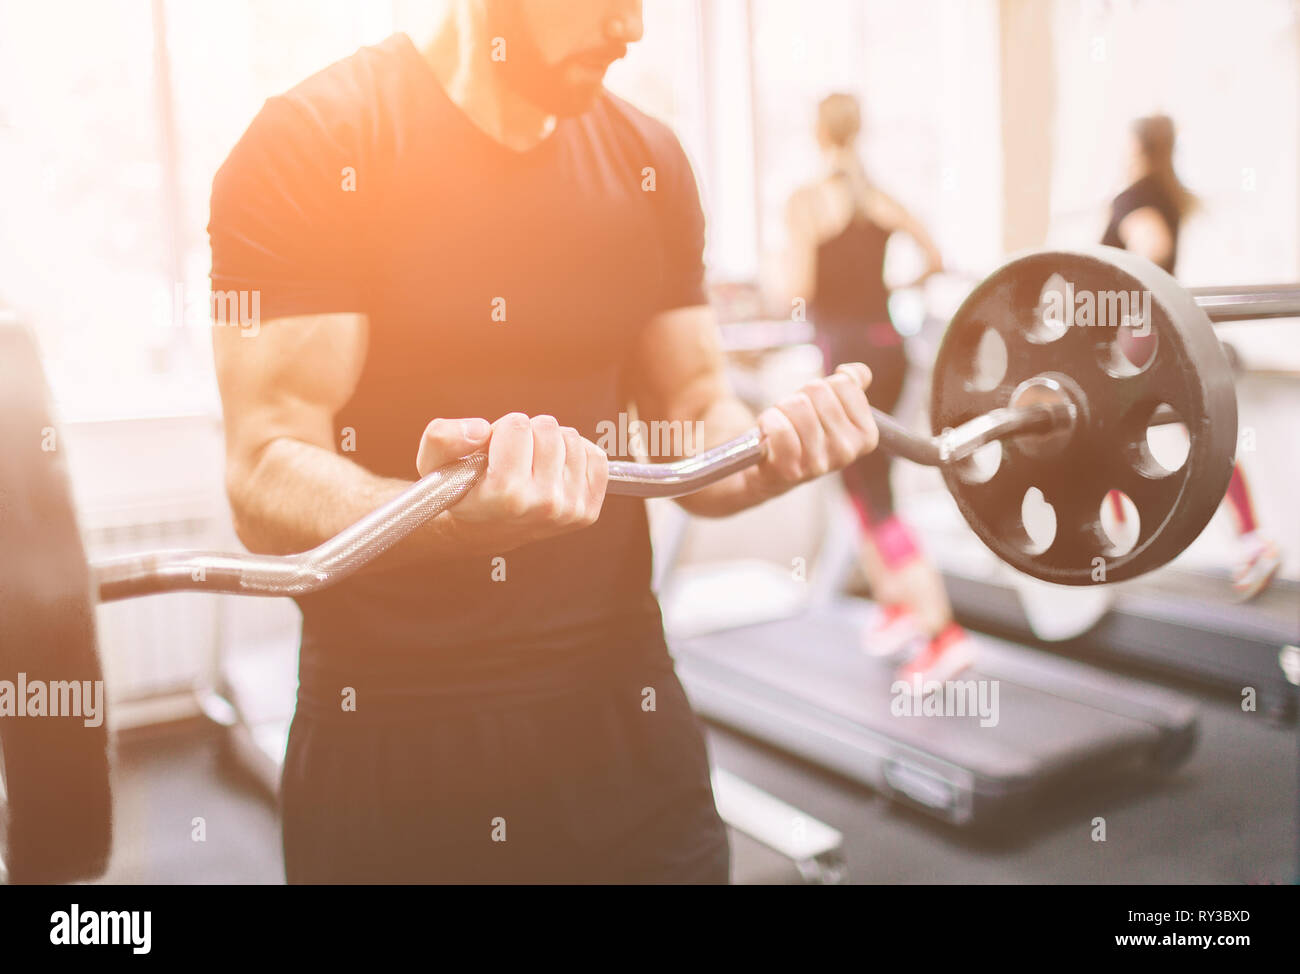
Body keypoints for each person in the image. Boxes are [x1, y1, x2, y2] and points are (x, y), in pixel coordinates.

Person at [208, 1, 881, 883]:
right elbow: (263, 473)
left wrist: (767, 451)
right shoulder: (316, 141)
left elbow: (695, 412)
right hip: (394, 731)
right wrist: (444, 521)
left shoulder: (649, 161)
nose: (629, 30)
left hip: (623, 713)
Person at [783, 92, 975, 683]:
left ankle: (943, 633)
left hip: (845, 355)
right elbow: (936, 255)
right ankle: (895, 605)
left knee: (871, 493)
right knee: (864, 483)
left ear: (818, 134)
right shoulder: (880, 196)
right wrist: (894, 290)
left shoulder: (808, 203)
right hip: (889, 351)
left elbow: (799, 285)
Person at [1101, 114, 1280, 599]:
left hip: (1137, 334)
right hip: (1165, 329)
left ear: (1137, 148)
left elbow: (1151, 245)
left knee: (1101, 432)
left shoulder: (1133, 196)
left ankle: (1109, 546)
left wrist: (1121, 291)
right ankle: (1251, 539)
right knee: (1202, 432)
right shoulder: (1165, 192)